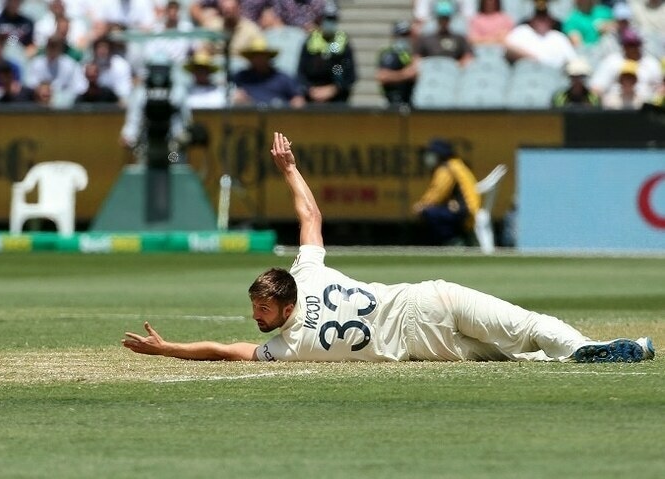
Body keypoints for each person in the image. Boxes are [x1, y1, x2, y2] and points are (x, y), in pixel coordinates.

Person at [122, 131, 656, 363]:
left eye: (263, 310)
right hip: (430, 306)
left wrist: (168, 349)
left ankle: (587, 351)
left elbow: (222, 351)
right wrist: (289, 168)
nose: (256, 317)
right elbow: (310, 214)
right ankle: (588, 349)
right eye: (256, 310)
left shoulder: (287, 349)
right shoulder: (306, 274)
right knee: (521, 335)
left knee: (517, 342)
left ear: (286, 305)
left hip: (421, 335)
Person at [412, 138, 480, 246]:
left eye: (430, 153)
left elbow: (438, 192)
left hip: (465, 212)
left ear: (439, 154)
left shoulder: (446, 168)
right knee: (435, 211)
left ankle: (453, 242)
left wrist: (422, 205)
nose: (428, 157)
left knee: (429, 213)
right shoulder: (456, 164)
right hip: (468, 210)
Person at [296, 2, 357, 104]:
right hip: (312, 99)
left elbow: (350, 75)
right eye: (326, 18)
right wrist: (311, 90)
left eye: (332, 19)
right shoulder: (310, 42)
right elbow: (301, 73)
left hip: (337, 100)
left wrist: (334, 89)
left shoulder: (342, 42)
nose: (329, 22)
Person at [232, 36, 305, 107]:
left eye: (262, 55)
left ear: (269, 57)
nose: (259, 59)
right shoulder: (241, 77)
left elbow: (298, 98)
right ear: (250, 59)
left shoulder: (282, 78)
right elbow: (231, 94)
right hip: (249, 115)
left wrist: (296, 104)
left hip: (279, 115)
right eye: (255, 56)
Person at [376, 20, 417, 108]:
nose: (404, 38)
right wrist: (404, 75)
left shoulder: (409, 54)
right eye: (402, 35)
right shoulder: (389, 53)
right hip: (392, 101)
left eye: (406, 35)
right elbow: (382, 76)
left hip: (409, 100)